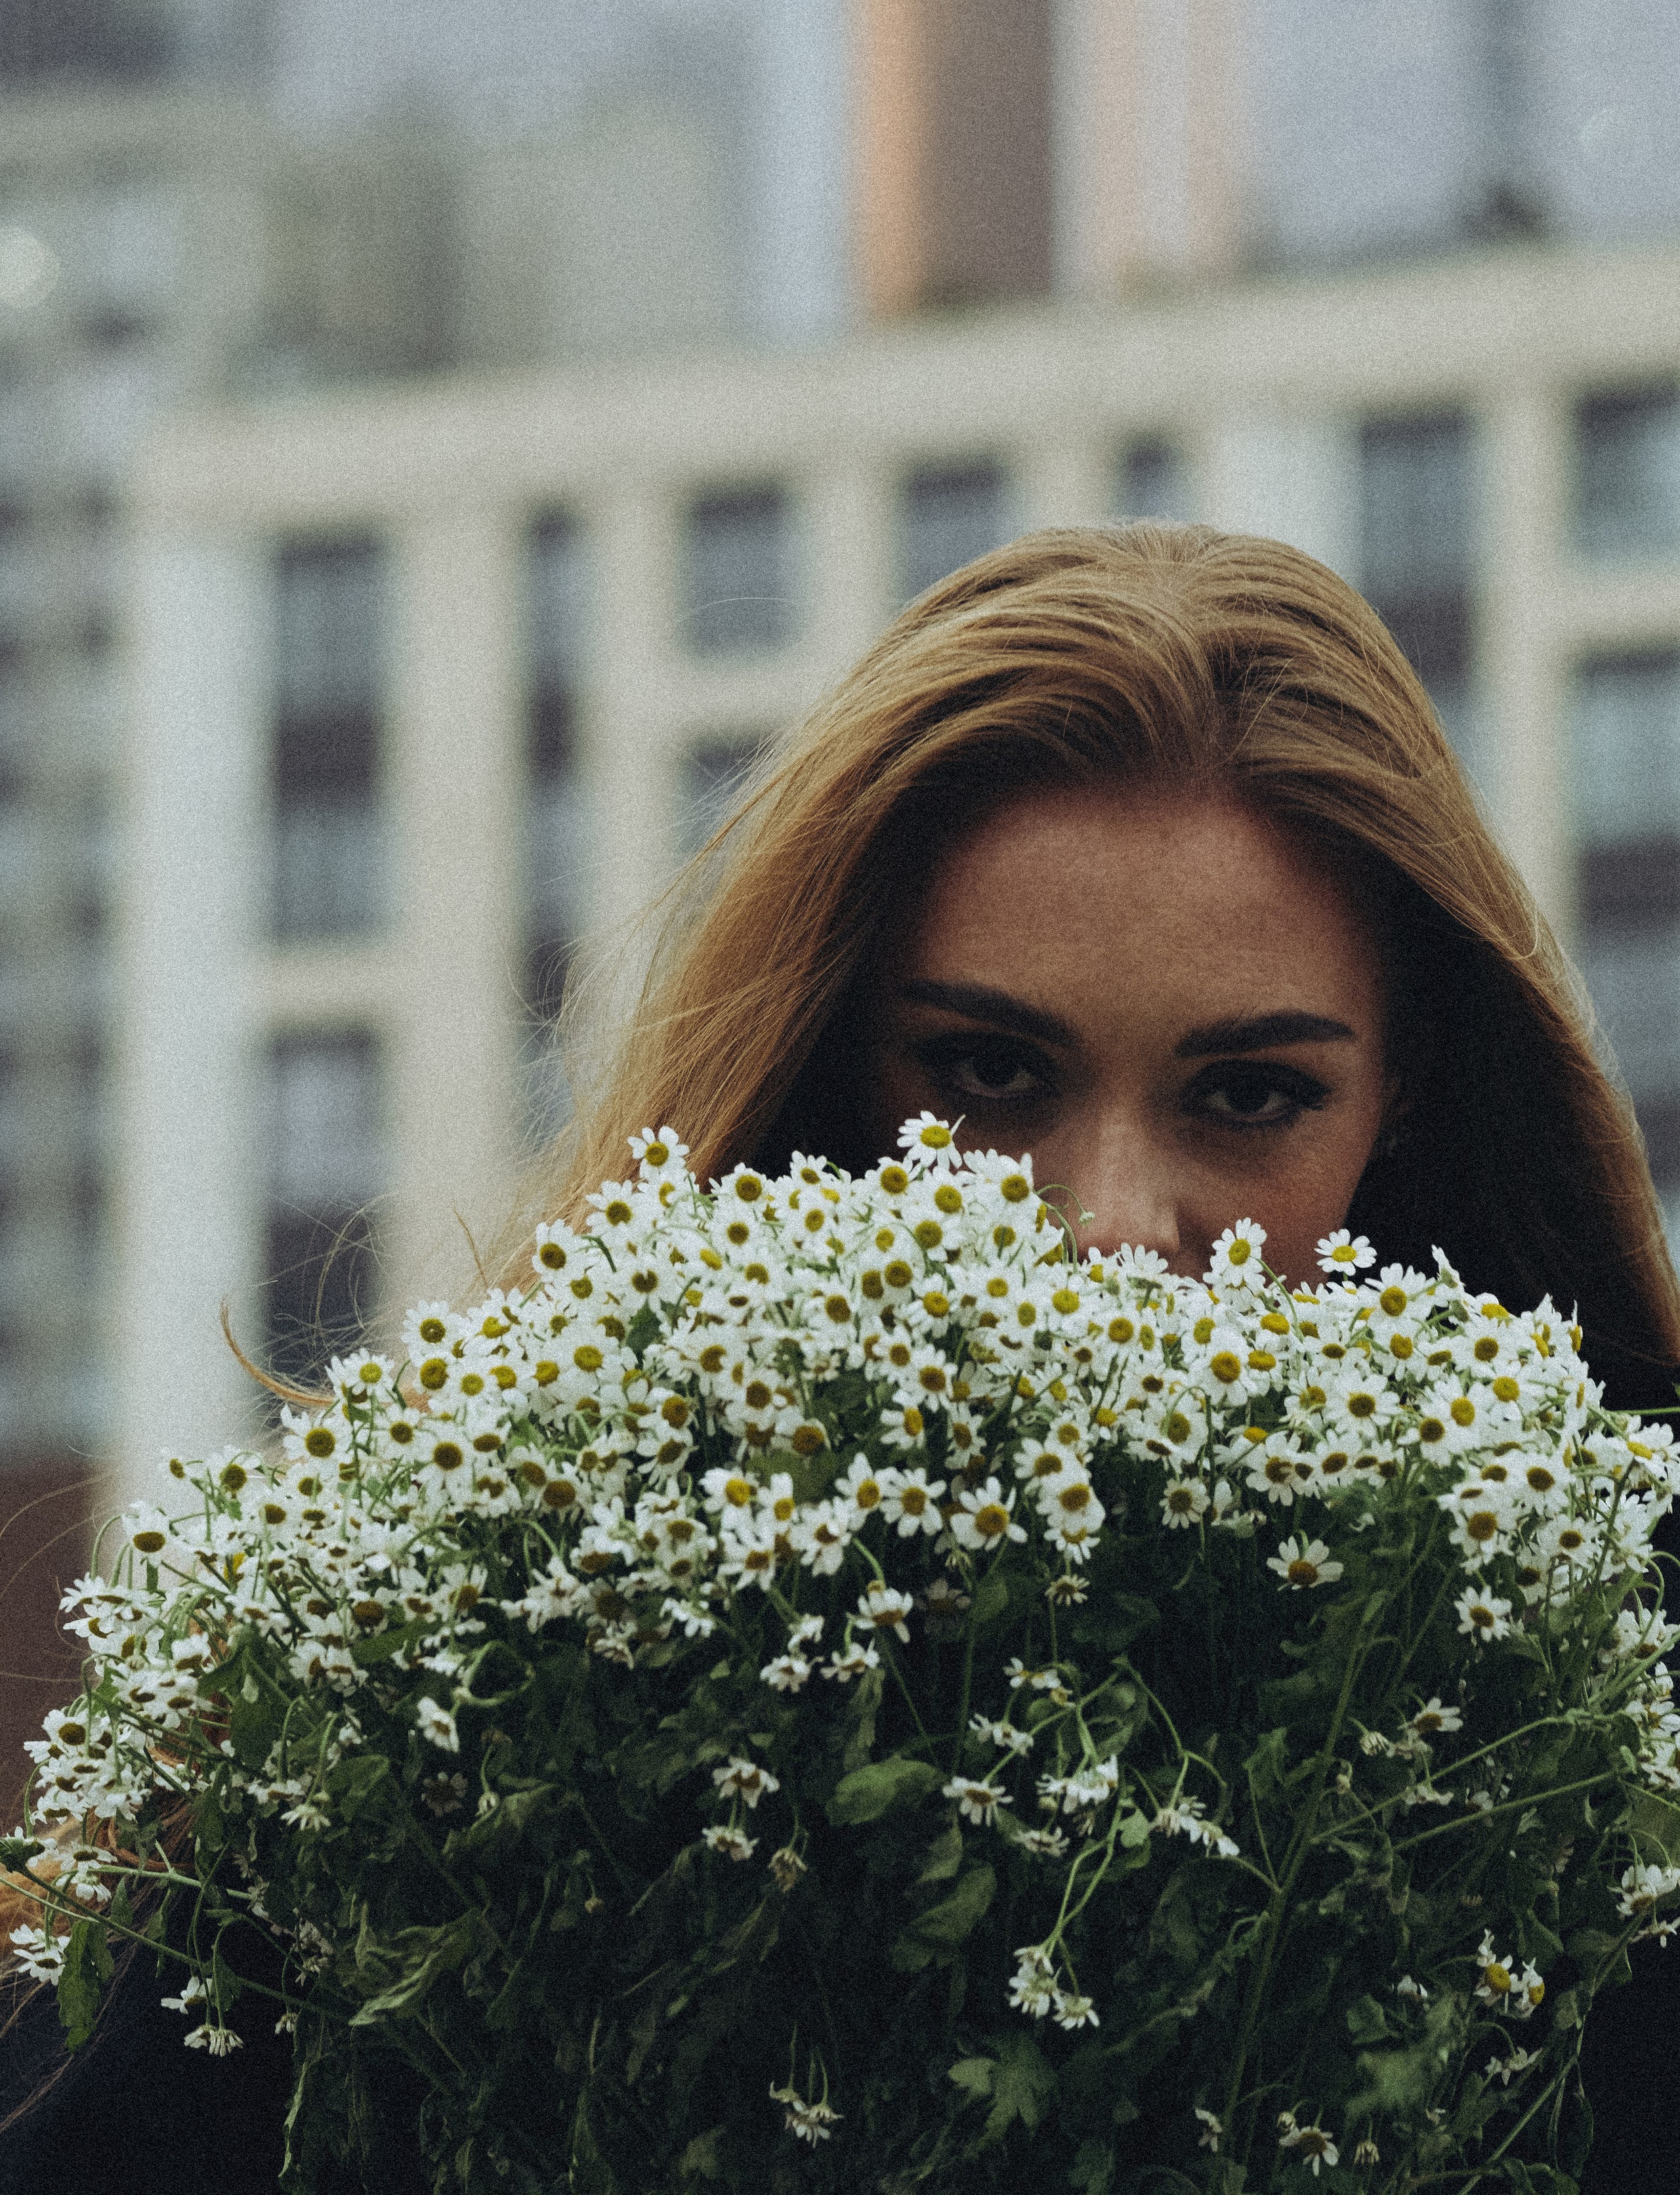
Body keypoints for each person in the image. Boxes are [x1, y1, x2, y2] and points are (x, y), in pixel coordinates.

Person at [4, 522, 1675, 2190]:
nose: (1104, 1229)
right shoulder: (474, 1706)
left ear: (1401, 1108)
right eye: (984, 1077)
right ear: (821, 1086)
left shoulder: (1603, 1746)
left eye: (1246, 1097)